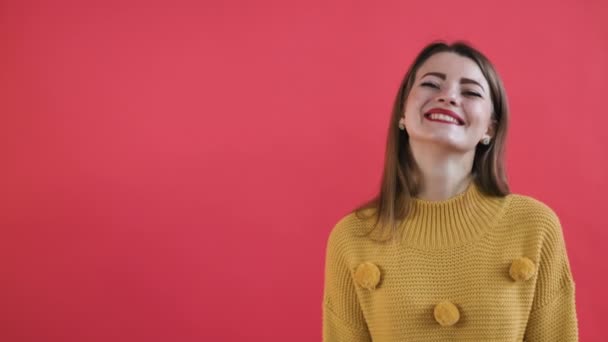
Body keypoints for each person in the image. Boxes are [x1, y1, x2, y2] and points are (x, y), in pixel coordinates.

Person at [322, 41, 578, 341]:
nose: (448, 97)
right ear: (403, 112)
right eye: (431, 84)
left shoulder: (534, 226)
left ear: (490, 130)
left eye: (470, 92)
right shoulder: (353, 236)